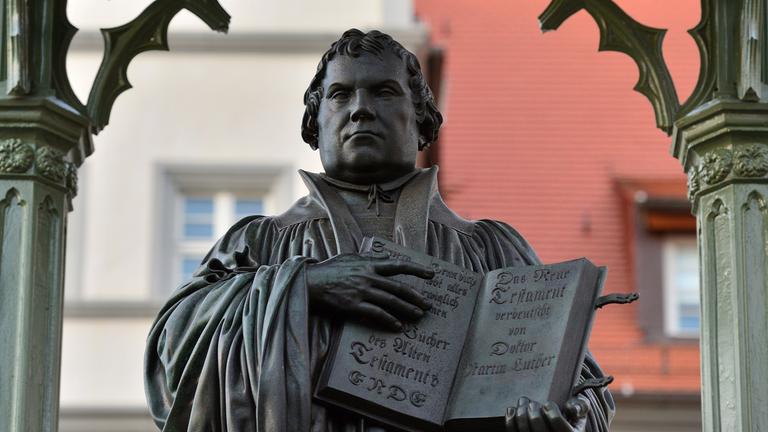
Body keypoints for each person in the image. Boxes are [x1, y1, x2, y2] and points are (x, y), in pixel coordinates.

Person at [144, 29, 614, 432]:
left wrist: (564, 419)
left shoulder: (492, 250)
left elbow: (585, 390)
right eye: (340, 94)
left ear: (421, 119)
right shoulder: (259, 243)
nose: (361, 109)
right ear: (316, 120)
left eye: (383, 92)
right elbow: (171, 358)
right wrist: (304, 284)